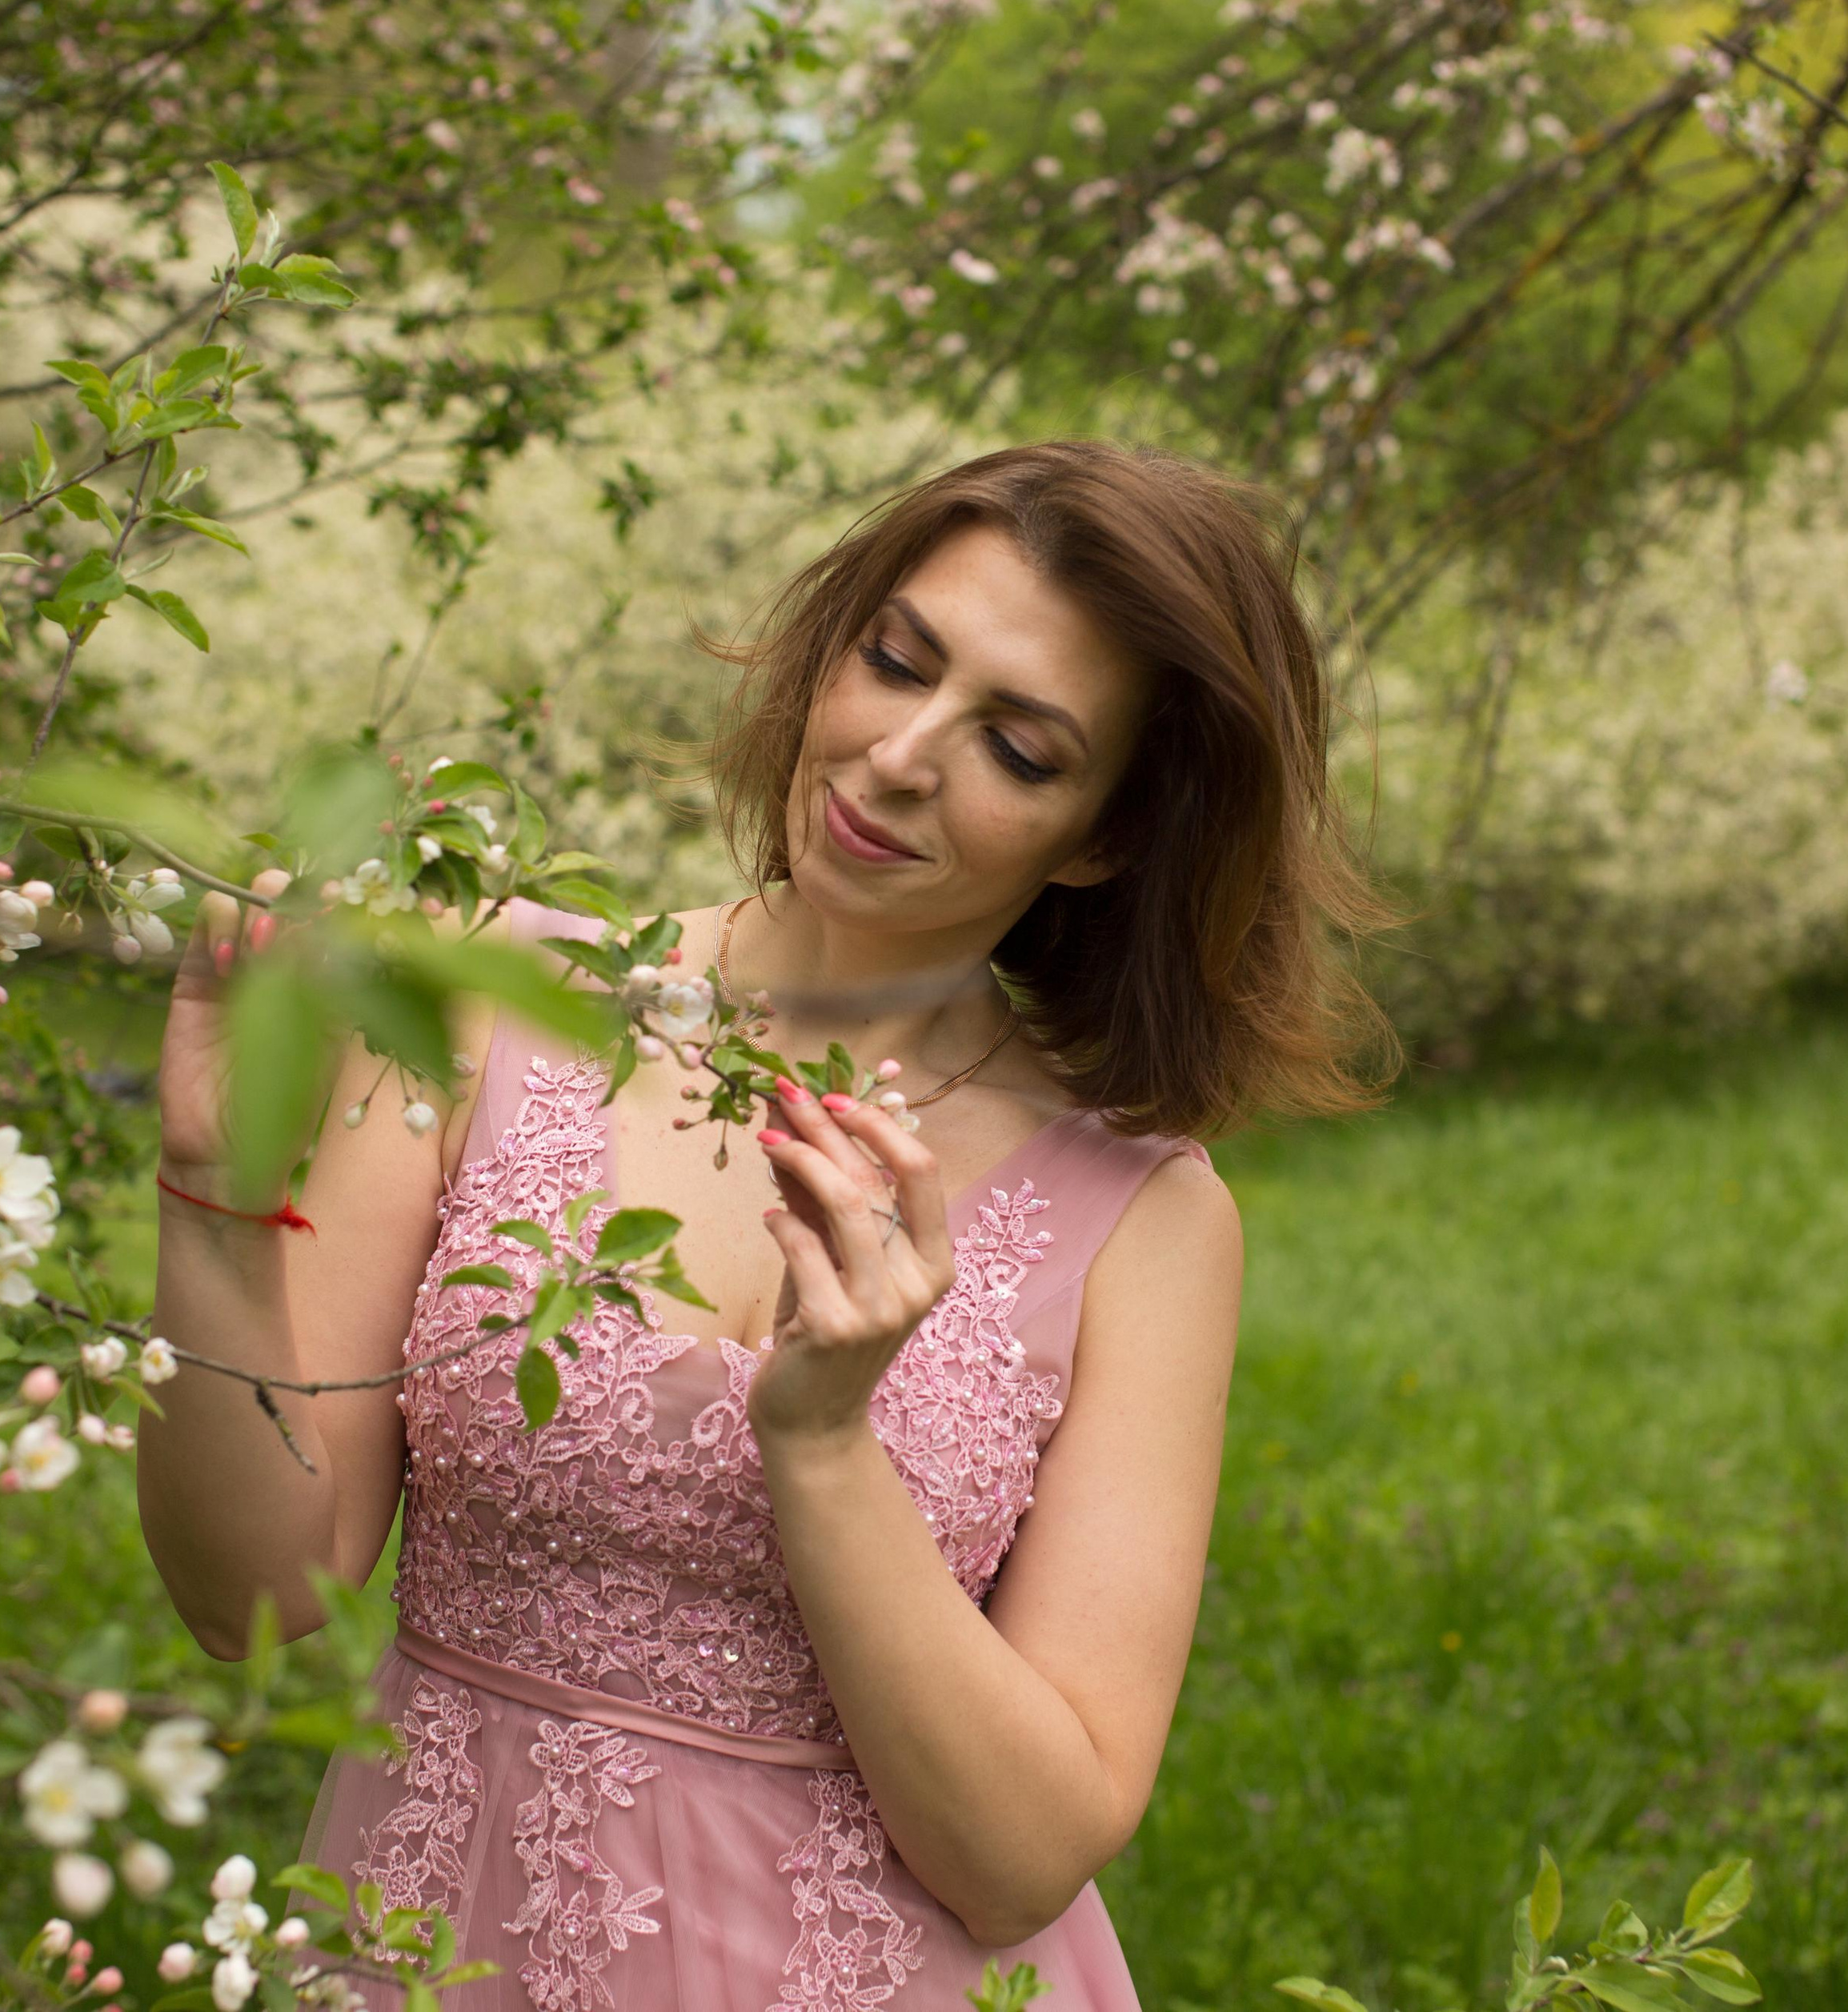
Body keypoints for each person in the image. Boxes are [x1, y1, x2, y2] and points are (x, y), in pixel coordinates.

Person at [136, 439, 1392, 2010]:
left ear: (1102, 835)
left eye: (1015, 745)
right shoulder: (483, 995)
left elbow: (1020, 1854)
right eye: (894, 660)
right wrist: (214, 1190)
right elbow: (247, 1596)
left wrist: (819, 1439)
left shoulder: (1139, 1213)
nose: (897, 755)